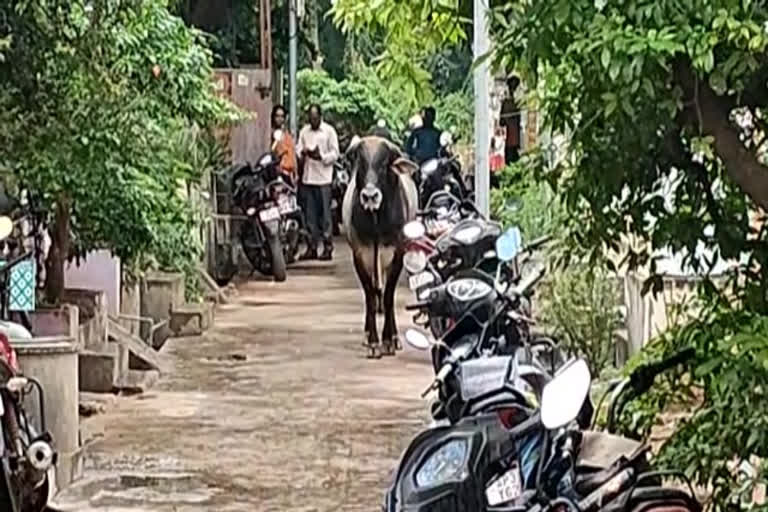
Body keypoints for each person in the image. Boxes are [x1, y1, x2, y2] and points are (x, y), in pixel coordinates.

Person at [296, 104, 339, 261]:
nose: (313, 120)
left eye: (315, 117)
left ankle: (327, 246)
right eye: (310, 117)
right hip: (308, 177)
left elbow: (335, 153)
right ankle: (312, 246)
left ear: (320, 116)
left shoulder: (329, 131)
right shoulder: (304, 132)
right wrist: (303, 152)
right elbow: (298, 149)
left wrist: (321, 157)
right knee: (310, 215)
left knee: (325, 215)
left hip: (324, 178)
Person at [271, 105, 297, 182]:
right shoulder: (269, 134)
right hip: (274, 174)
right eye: (277, 116)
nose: (280, 119)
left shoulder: (287, 136)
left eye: (282, 116)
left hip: (287, 175)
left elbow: (292, 155)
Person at [500, 76, 522, 165]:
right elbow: (501, 122)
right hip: (510, 140)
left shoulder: (518, 102)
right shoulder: (507, 103)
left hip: (516, 140)